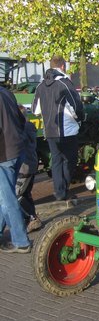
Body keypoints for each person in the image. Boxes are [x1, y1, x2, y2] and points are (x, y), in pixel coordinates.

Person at [32, 55, 83, 202]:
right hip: (67, 130)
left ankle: (59, 191)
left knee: (56, 161)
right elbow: (76, 106)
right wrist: (79, 120)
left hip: (49, 130)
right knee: (70, 161)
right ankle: (63, 192)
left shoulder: (40, 85)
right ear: (62, 66)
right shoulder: (65, 83)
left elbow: (36, 110)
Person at [0, 86, 31, 254]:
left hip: (4, 155)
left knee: (7, 199)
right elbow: (21, 119)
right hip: (17, 149)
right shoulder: (6, 92)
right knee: (4, 196)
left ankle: (21, 241)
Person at [16, 105, 42, 232]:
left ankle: (32, 218)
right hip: (32, 164)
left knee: (17, 194)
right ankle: (31, 217)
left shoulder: (21, 130)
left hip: (23, 167)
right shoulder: (30, 127)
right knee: (26, 194)